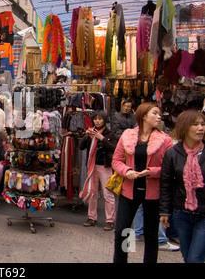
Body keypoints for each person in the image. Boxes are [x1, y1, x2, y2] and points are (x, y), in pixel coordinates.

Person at [112, 102, 173, 263]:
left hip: (152, 192)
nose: (159, 116)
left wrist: (151, 172)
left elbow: (168, 168)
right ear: (143, 116)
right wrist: (127, 171)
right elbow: (116, 161)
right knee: (123, 232)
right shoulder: (128, 135)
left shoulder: (165, 140)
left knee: (151, 235)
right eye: (155, 113)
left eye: (159, 113)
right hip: (129, 190)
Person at [160, 109, 205, 263]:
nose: (200, 128)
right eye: (195, 124)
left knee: (195, 258)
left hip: (204, 215)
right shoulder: (172, 154)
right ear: (185, 127)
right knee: (187, 256)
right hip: (181, 214)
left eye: (202, 124)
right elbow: (166, 185)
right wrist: (164, 211)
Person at [80, 110, 118, 231]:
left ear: (105, 121)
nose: (97, 121)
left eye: (100, 119)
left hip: (104, 166)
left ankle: (110, 220)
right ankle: (91, 217)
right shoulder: (91, 132)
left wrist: (101, 138)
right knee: (92, 192)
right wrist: (87, 136)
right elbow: (81, 147)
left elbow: (114, 148)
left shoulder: (110, 134)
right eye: (95, 119)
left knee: (108, 194)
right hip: (92, 166)